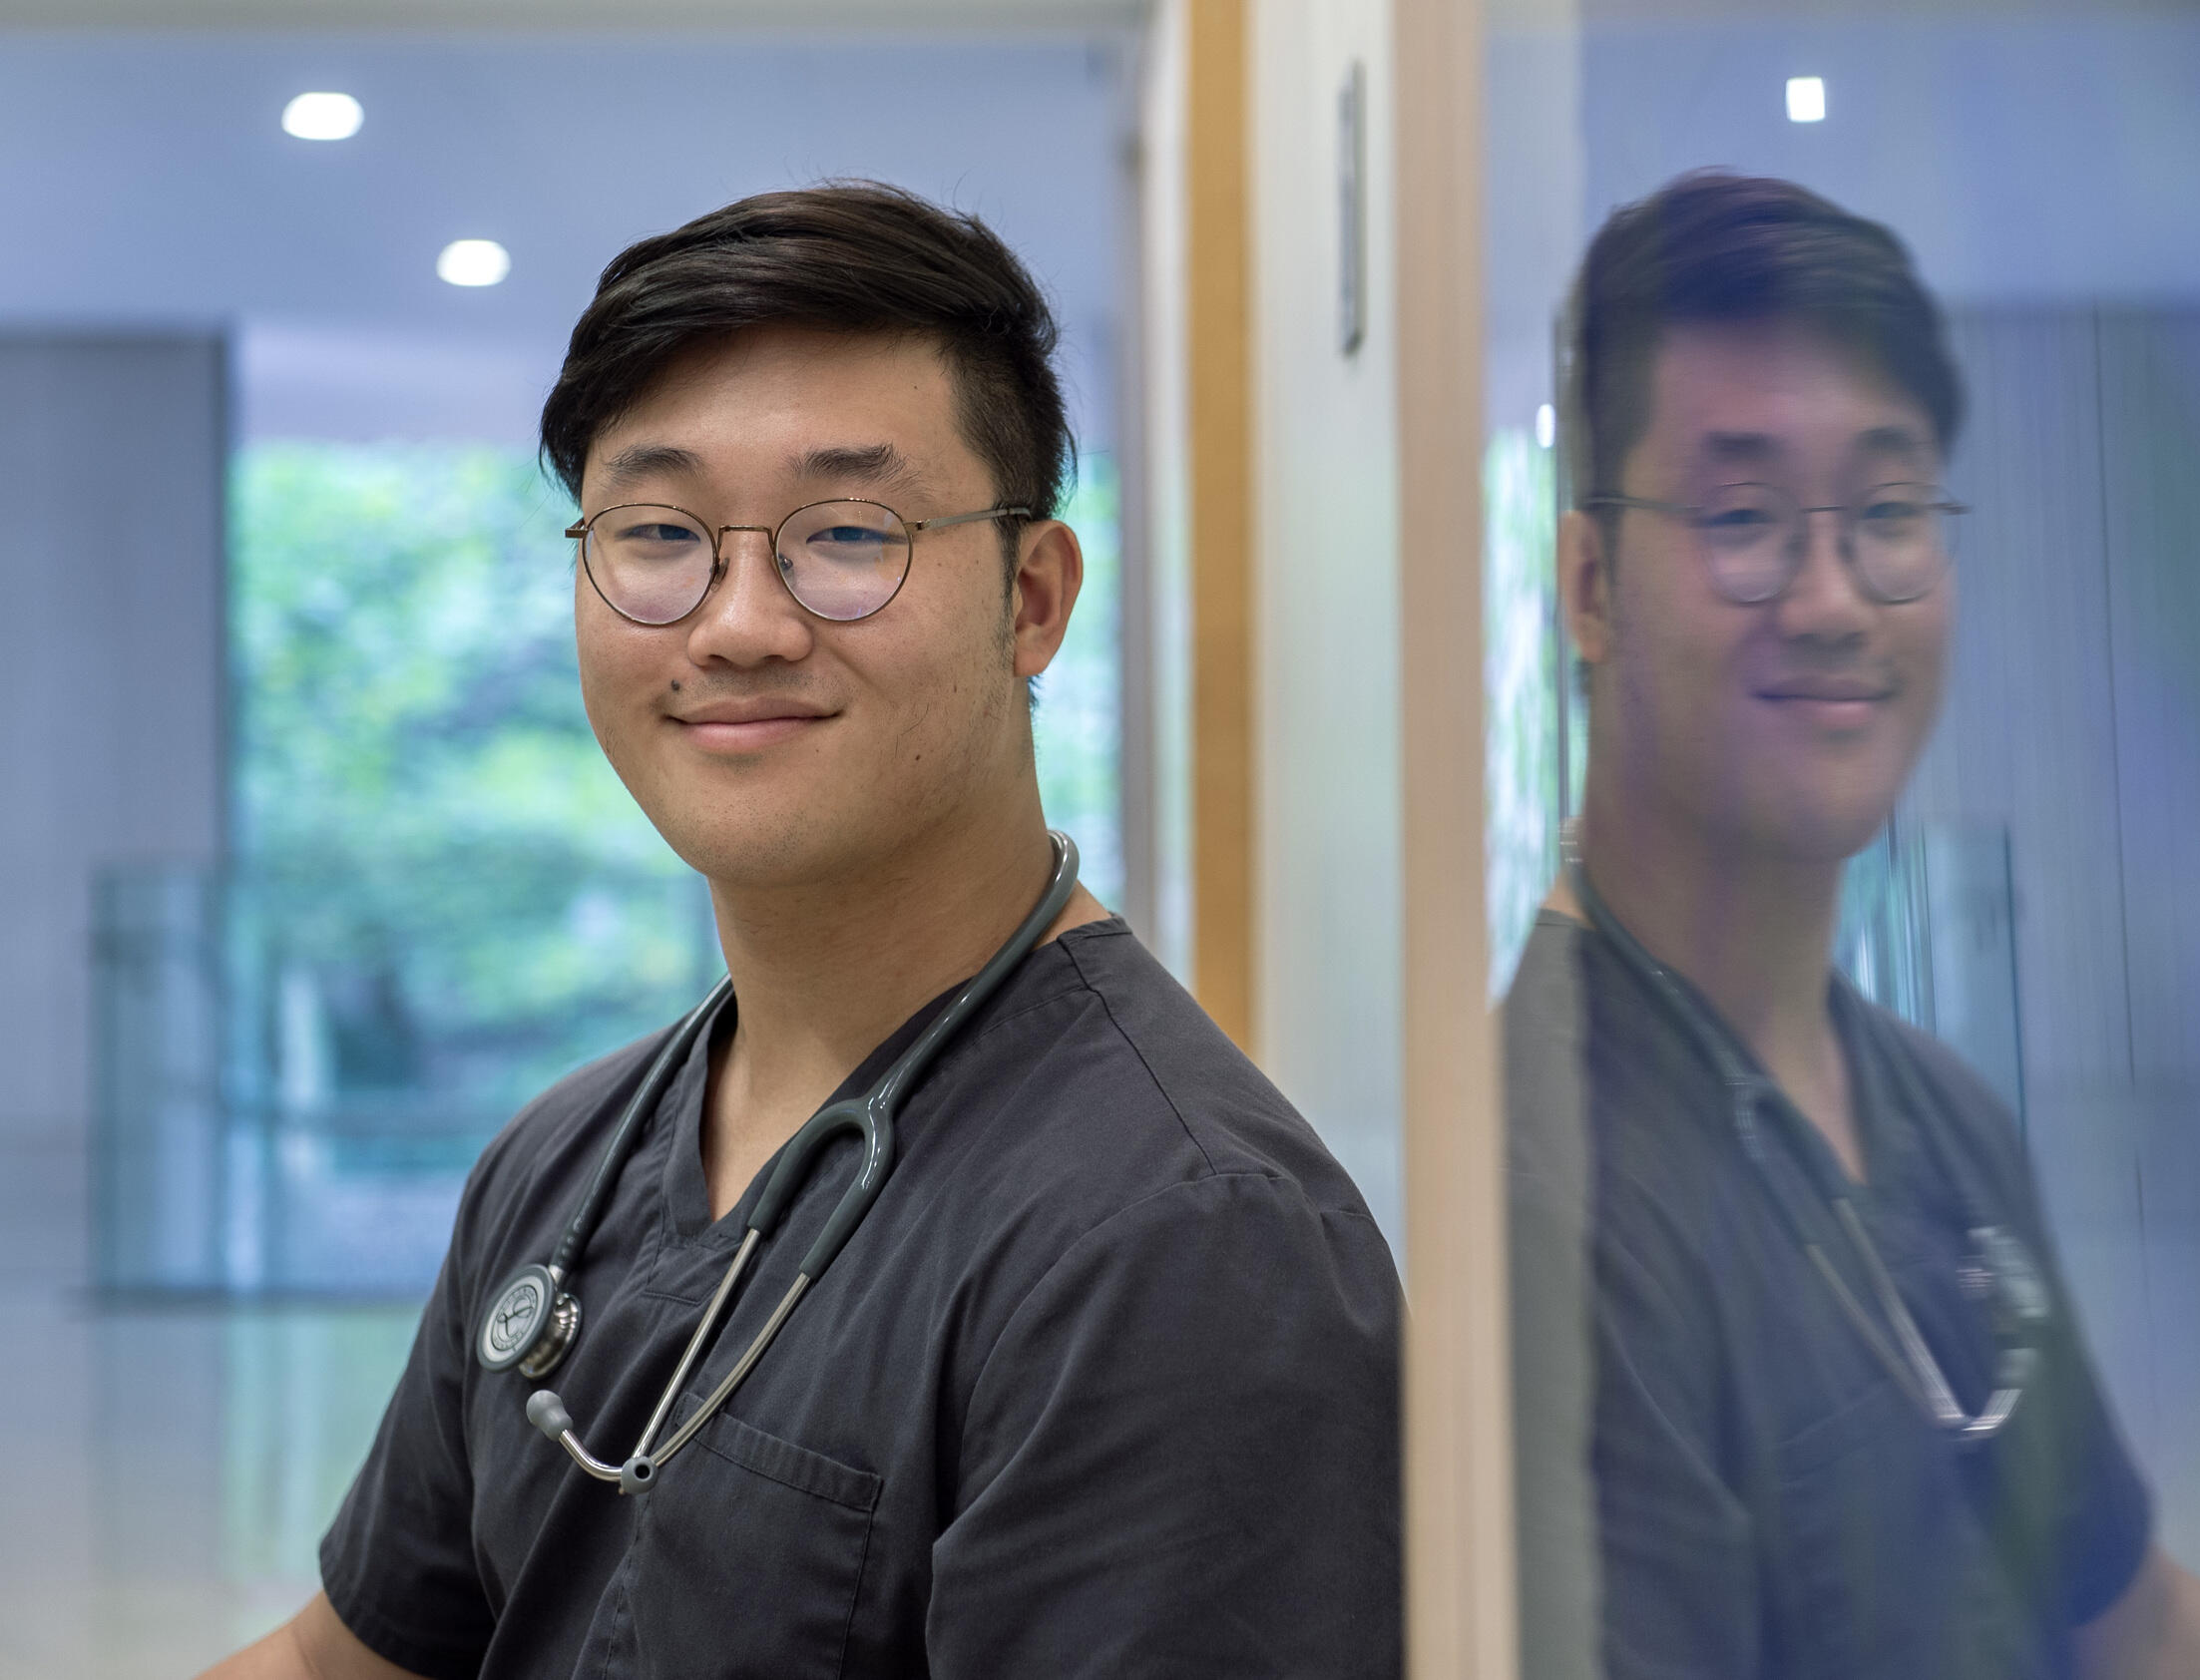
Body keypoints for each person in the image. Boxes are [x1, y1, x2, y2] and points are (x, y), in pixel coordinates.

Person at [205, 182, 1402, 1680]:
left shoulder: (1181, 1245)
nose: (739, 624)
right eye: (659, 532)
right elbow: (341, 1662)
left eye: (847, 531)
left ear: (1031, 600)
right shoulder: (563, 1161)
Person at [1504, 172, 2200, 1680]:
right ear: (1590, 584)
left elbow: (2131, 1620)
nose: (1832, 600)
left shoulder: (1938, 1116)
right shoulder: (1551, 1182)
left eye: (1887, 513)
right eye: (1743, 517)